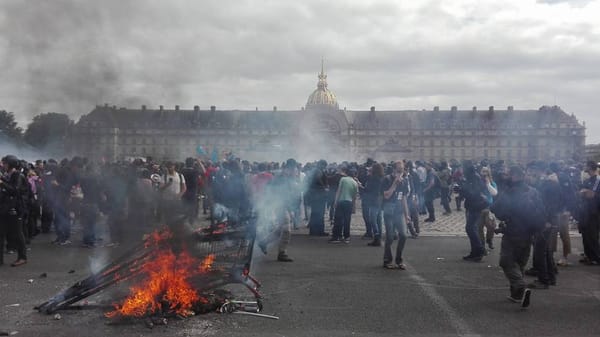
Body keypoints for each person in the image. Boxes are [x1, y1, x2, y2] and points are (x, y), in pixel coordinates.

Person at [491, 165, 546, 308]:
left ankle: (520, 286)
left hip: (513, 232)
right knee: (520, 264)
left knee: (507, 262)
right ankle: (517, 295)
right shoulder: (533, 191)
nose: (506, 177)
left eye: (509, 174)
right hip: (529, 234)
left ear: (516, 176)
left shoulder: (511, 192)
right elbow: (542, 211)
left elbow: (498, 210)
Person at [380, 161, 411, 270]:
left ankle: (399, 260)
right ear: (394, 170)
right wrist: (394, 183)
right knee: (389, 237)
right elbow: (386, 196)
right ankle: (387, 260)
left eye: (402, 170)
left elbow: (403, 198)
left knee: (403, 235)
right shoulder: (386, 179)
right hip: (389, 210)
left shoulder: (405, 181)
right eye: (399, 170)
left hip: (399, 212)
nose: (401, 172)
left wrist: (407, 214)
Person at [0, 155, 27, 267]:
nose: (3, 165)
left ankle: (22, 257)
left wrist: (1, 183)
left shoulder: (18, 175)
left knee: (17, 233)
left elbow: (15, 190)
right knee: (1, 233)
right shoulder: (8, 175)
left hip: (15, 208)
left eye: (5, 163)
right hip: (5, 208)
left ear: (10, 164)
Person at [459, 163, 488, 262]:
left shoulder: (474, 178)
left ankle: (479, 250)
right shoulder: (473, 177)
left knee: (470, 228)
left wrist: (461, 189)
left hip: (475, 207)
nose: (462, 171)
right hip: (472, 206)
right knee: (472, 228)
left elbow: (473, 194)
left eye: (463, 169)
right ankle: (474, 252)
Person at [577, 161, 600, 265]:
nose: (584, 167)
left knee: (592, 236)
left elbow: (592, 195)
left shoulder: (598, 180)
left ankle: (596, 258)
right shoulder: (587, 180)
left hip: (594, 213)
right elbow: (581, 192)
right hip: (585, 211)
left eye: (586, 166)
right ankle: (589, 256)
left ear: (590, 167)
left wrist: (592, 194)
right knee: (585, 235)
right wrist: (583, 193)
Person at [329, 166, 358, 244]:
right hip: (349, 203)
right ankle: (346, 237)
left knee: (338, 219)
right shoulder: (355, 183)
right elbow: (354, 197)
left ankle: (336, 237)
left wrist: (335, 202)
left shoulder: (343, 179)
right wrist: (354, 207)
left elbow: (339, 191)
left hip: (341, 201)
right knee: (347, 220)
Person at [479, 167, 498, 250]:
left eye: (486, 172)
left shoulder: (492, 183)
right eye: (483, 172)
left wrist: (488, 184)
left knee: (491, 226)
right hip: (479, 207)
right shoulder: (478, 182)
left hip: (489, 208)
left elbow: (494, 193)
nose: (484, 174)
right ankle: (481, 243)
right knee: (479, 227)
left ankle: (489, 240)